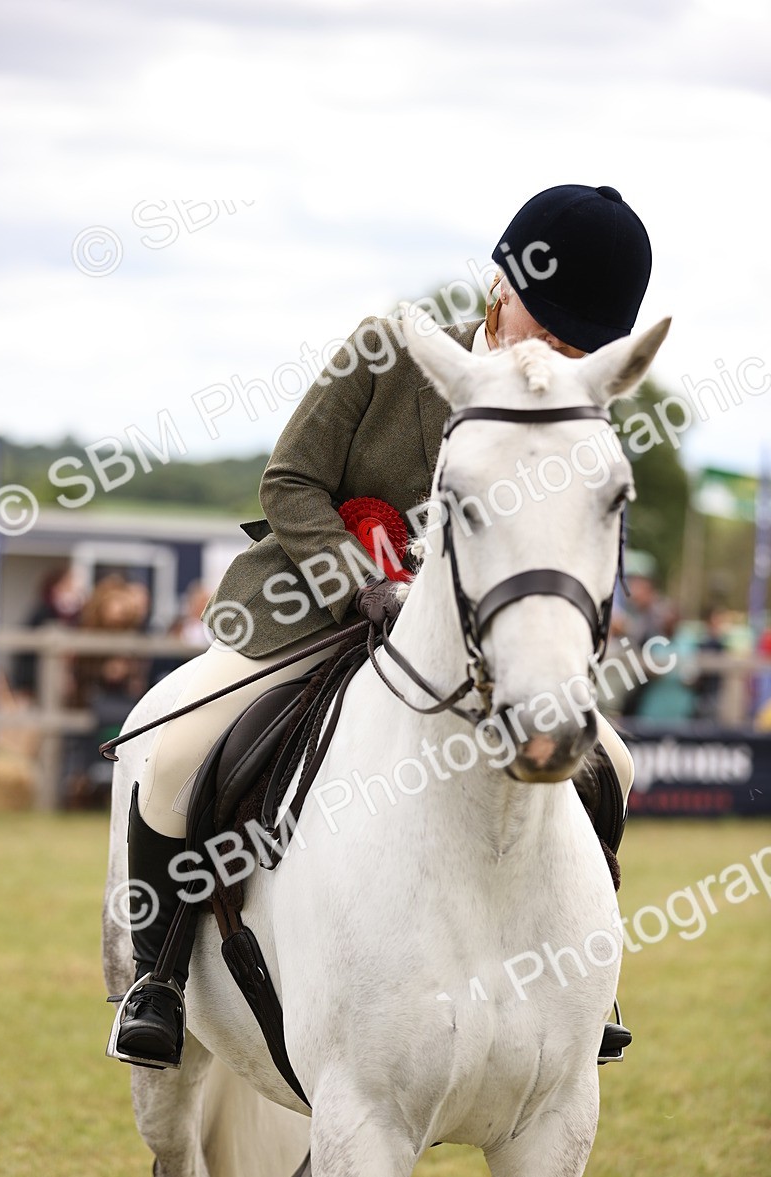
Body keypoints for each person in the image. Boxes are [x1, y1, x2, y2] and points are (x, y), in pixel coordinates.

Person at [110, 184, 652, 1069]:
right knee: (172, 758)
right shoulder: (387, 352)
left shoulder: (574, 408)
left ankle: (584, 986)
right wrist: (358, 583)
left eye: (574, 346)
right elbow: (289, 480)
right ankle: (160, 977)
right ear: (502, 288)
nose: (548, 355)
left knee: (611, 768)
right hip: (310, 617)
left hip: (466, 653)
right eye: (542, 328)